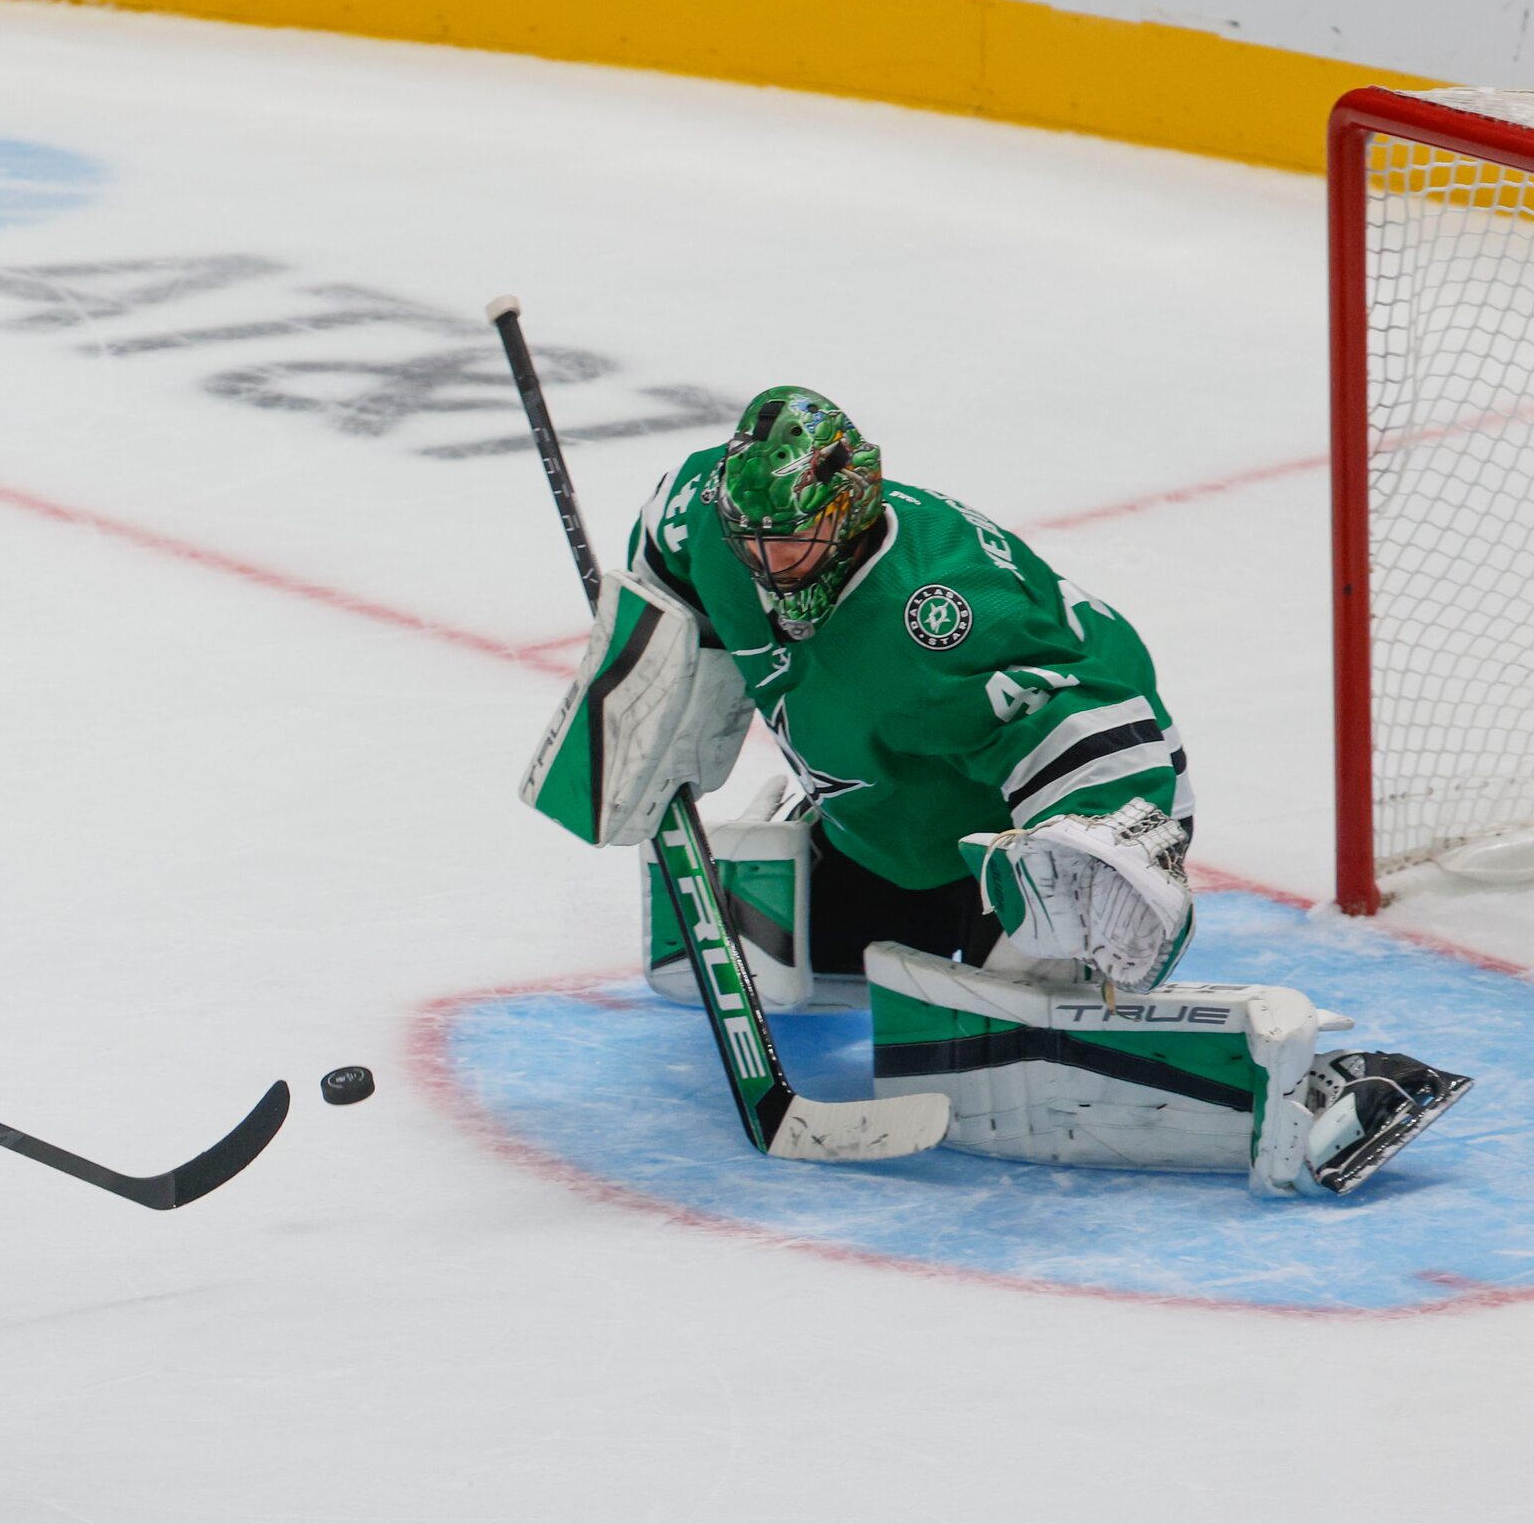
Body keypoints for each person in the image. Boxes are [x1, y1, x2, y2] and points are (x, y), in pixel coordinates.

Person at [527, 385, 1467, 1193]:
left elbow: (1106, 703)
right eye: (754, 543)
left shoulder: (945, 612)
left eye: (794, 543)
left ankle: (1322, 1090)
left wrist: (1097, 842)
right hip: (879, 824)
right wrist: (650, 704)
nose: (768, 568)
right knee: (749, 940)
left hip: (1013, 849)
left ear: (851, 511)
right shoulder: (709, 510)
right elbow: (668, 558)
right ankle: (846, 869)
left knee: (1010, 1055)